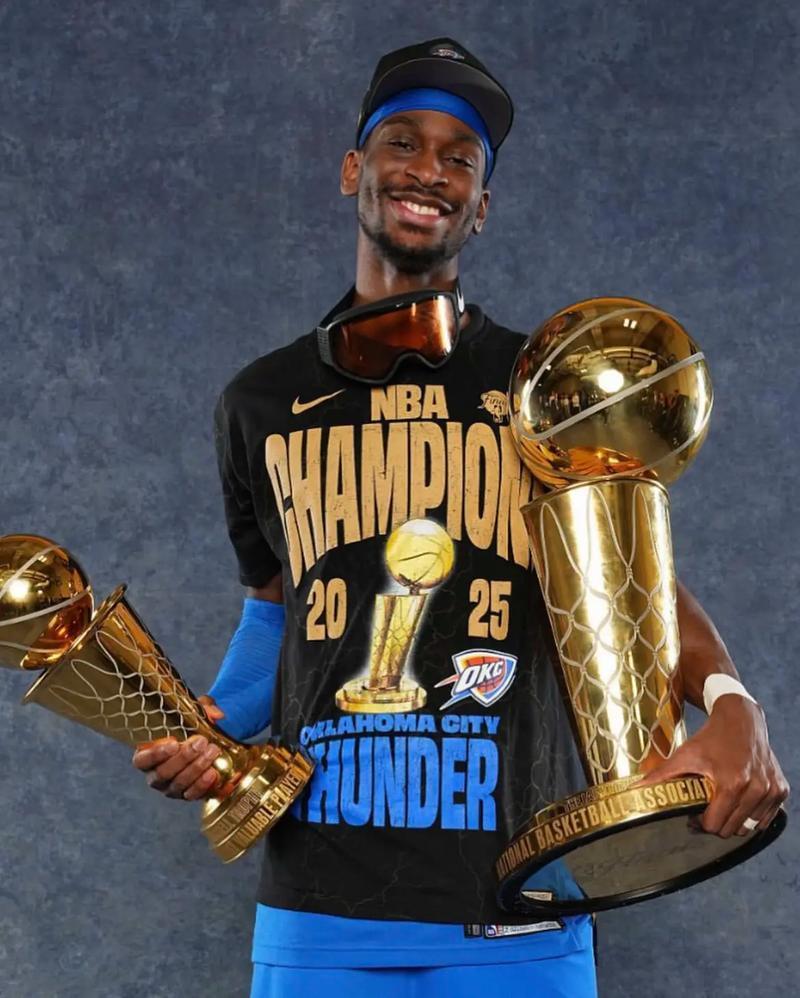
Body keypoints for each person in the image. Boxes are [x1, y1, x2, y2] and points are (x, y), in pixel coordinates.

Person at [132, 37, 789, 998]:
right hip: (319, 913)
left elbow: (628, 583)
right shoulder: (259, 403)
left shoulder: (547, 386)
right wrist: (210, 729)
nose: (428, 171)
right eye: (402, 142)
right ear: (353, 169)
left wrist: (731, 701)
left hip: (519, 903)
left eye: (460, 158)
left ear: (480, 206)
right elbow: (276, 612)